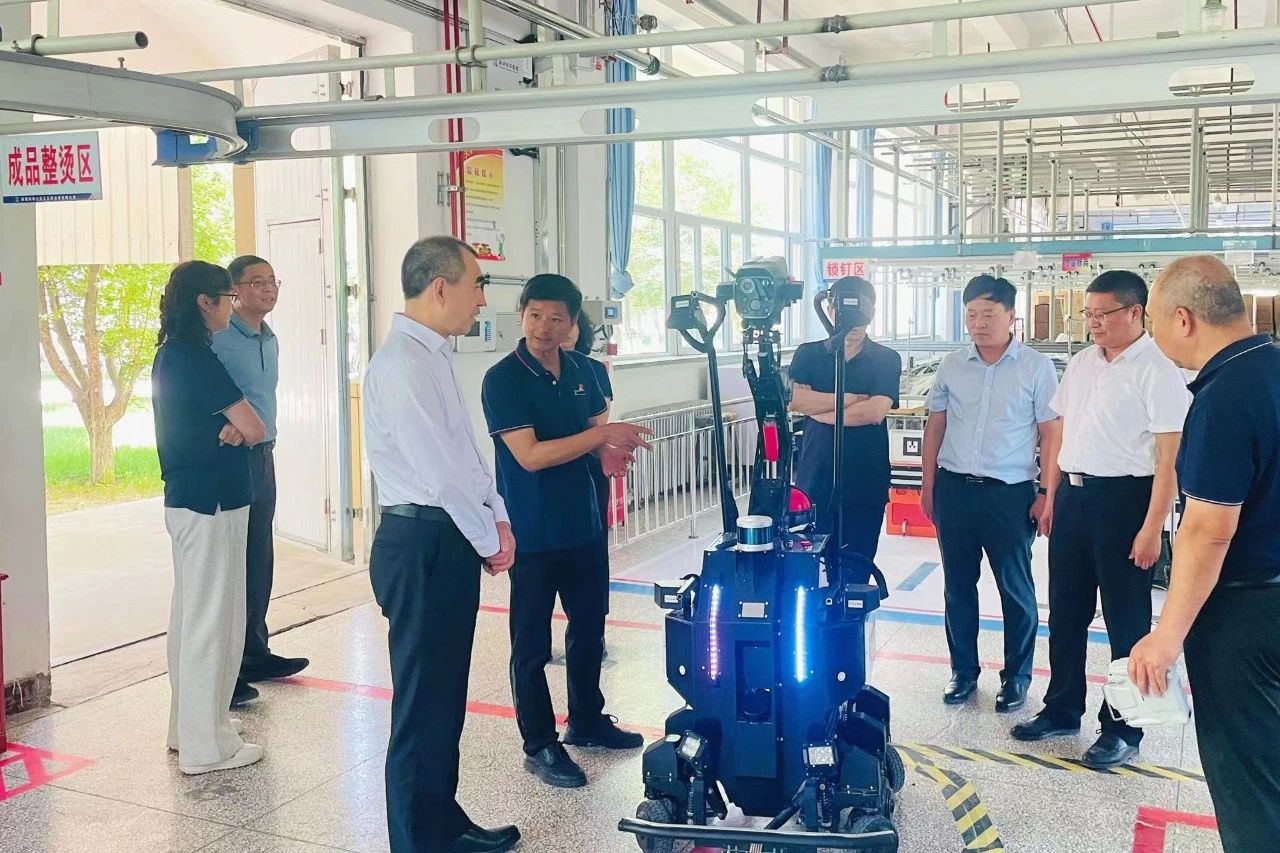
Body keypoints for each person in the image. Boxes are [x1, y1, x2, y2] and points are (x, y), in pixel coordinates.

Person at [362, 236, 519, 853]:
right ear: (440, 288)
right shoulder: (402, 365)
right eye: (477, 284)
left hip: (446, 535)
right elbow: (439, 472)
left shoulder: (433, 356)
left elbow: (466, 454)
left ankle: (442, 824)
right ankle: (415, 841)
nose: (481, 299)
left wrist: (497, 518)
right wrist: (488, 541)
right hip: (420, 542)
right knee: (421, 701)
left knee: (445, 695)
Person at [1129, 255, 1280, 853]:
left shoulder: (1224, 396)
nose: (1156, 340)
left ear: (1184, 319)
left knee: (1250, 781)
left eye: (1155, 324)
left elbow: (1208, 532)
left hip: (1243, 614)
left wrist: (1166, 637)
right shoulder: (1271, 370)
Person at [1011, 270, 1190, 769]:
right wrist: (1051, 495)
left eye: (1103, 314)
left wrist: (1152, 529)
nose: (1093, 323)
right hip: (1073, 496)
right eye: (1087, 314)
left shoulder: (1158, 370)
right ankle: (1062, 708)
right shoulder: (1083, 362)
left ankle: (1123, 728)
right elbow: (1064, 432)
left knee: (1125, 620)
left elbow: (1169, 460)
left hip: (1125, 502)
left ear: (1135, 312)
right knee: (1066, 611)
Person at [481, 274, 652, 789]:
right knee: (531, 644)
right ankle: (539, 744)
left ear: (573, 323)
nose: (544, 327)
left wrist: (609, 453)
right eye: (535, 315)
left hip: (584, 521)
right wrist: (601, 436)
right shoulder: (502, 379)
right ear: (521, 315)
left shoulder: (585, 371)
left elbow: (594, 437)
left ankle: (586, 721)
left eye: (556, 317)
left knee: (589, 628)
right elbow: (530, 456)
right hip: (532, 528)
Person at [922, 274, 1062, 713]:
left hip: (1009, 495)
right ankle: (963, 671)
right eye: (971, 315)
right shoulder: (952, 365)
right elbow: (936, 425)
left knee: (1015, 590)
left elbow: (1051, 433)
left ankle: (1016, 677)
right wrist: (928, 485)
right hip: (955, 490)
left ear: (1011, 316)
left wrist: (1047, 493)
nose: (978, 324)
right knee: (958, 587)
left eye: (988, 314)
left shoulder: (1036, 367)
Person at [151, 261, 266, 775]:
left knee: (191, 618)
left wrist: (236, 427)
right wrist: (240, 428)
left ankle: (191, 727)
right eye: (228, 297)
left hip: (190, 500)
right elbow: (255, 427)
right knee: (213, 623)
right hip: (212, 502)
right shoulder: (197, 357)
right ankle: (206, 747)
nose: (232, 307)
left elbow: (240, 425)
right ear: (205, 302)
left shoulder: (172, 353)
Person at [211, 255, 309, 710]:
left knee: (258, 556)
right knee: (231, 561)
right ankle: (226, 669)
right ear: (234, 291)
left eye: (273, 281)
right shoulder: (219, 337)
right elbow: (200, 392)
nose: (268, 289)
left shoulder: (269, 337)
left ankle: (255, 652)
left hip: (263, 454)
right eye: (256, 282)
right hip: (231, 457)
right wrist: (222, 426)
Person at [788, 275, 902, 559]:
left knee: (857, 566)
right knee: (810, 567)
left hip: (865, 480)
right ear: (830, 310)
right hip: (815, 479)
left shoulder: (886, 359)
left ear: (872, 312)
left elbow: (874, 412)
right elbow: (796, 401)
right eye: (841, 310)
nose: (852, 322)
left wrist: (818, 409)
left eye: (861, 311)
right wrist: (849, 399)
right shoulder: (808, 354)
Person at [563, 312, 614, 659]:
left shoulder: (592, 370)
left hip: (589, 472)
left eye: (566, 322)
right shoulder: (523, 373)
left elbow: (598, 426)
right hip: (548, 478)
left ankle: (594, 631)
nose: (559, 330)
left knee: (593, 555)